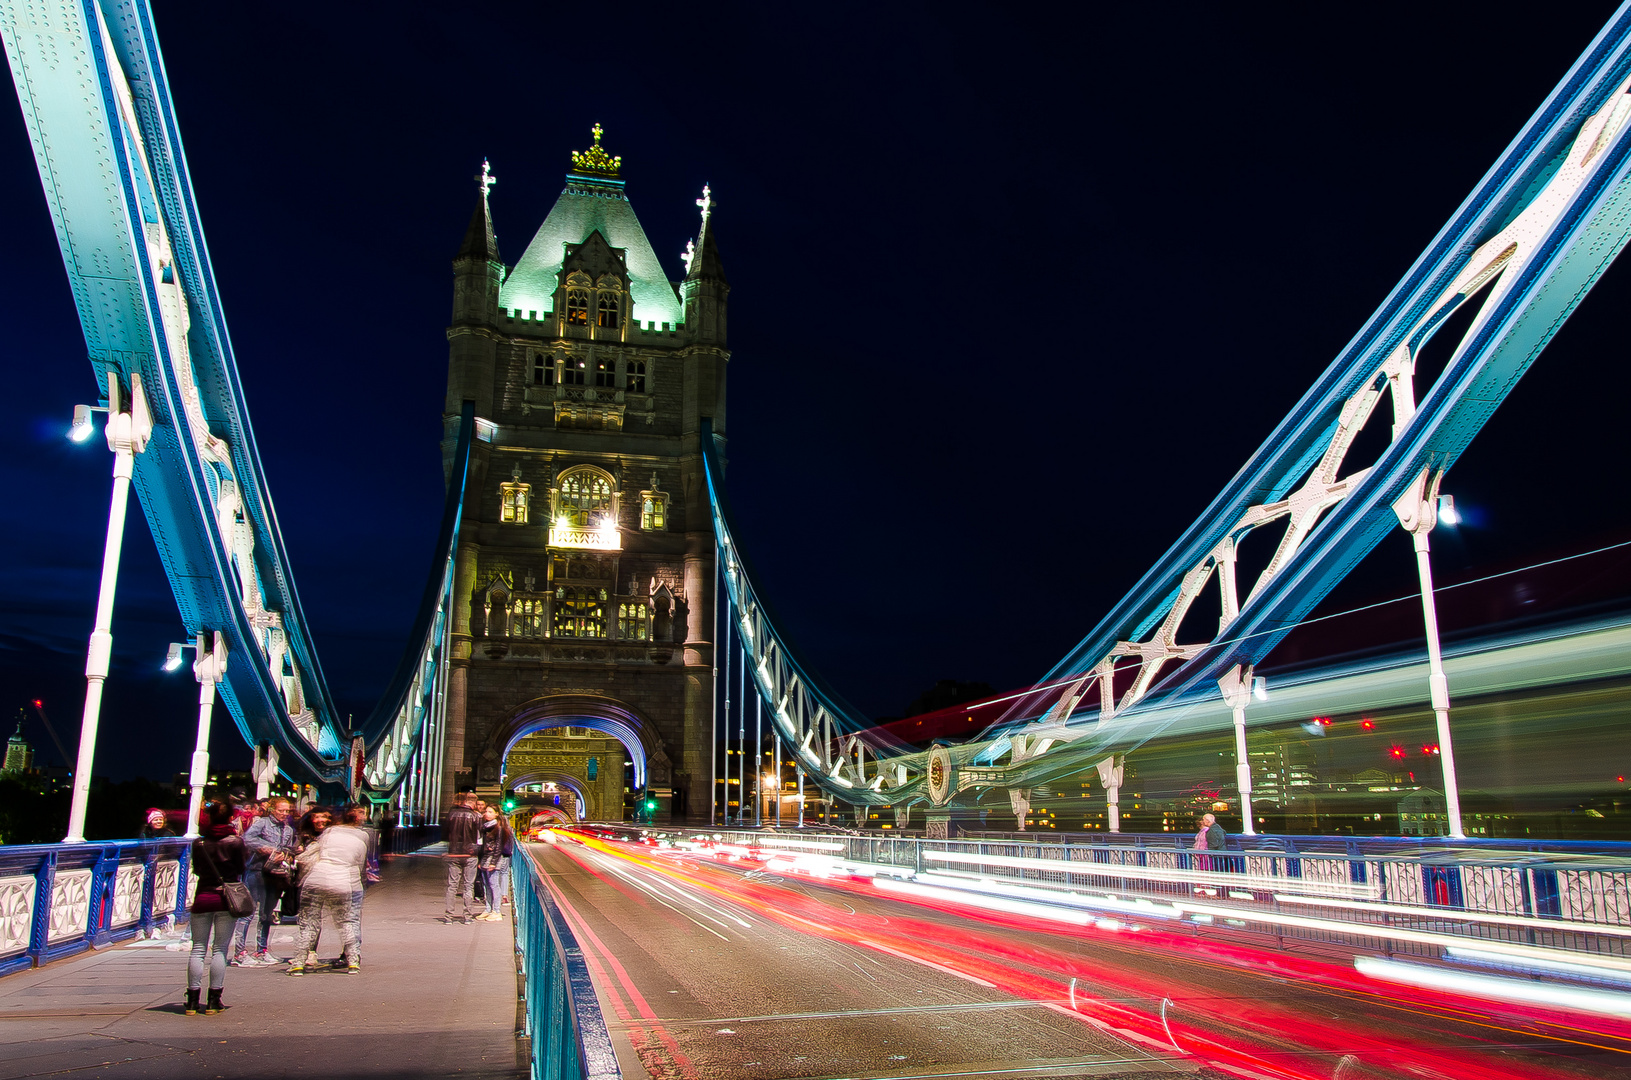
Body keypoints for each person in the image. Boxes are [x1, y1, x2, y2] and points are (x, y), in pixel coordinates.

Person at [288, 805, 369, 976]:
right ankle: (353, 961)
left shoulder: (328, 834)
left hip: (316, 879)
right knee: (347, 922)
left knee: (308, 923)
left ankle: (298, 963)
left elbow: (317, 854)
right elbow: (360, 867)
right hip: (342, 882)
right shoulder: (362, 838)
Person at [186, 800, 244, 1015]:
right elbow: (240, 868)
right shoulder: (235, 842)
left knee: (198, 948)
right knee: (219, 949)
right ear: (231, 818)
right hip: (227, 899)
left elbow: (197, 870)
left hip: (203, 896)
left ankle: (191, 1001)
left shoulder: (198, 843)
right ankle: (213, 1000)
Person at [239, 797, 297, 966]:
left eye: (287, 811)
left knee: (267, 914)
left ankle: (261, 949)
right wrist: (266, 848)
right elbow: (247, 839)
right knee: (248, 912)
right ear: (272, 809)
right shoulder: (262, 823)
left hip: (275, 873)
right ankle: (240, 952)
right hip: (257, 871)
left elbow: (288, 848)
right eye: (281, 810)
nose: (284, 814)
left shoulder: (288, 830)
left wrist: (286, 854)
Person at [443, 792, 480, 923]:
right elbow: (479, 837)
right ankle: (467, 916)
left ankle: (448, 917)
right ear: (473, 803)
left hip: (454, 853)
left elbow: (444, 834)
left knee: (452, 886)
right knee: (468, 886)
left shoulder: (451, 814)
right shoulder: (475, 816)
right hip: (470, 854)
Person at [475, 806, 513, 921]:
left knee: (494, 885)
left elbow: (498, 846)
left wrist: (493, 862)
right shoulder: (485, 827)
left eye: (490, 812)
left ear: (496, 814)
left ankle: (496, 911)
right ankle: (488, 909)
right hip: (485, 858)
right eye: (486, 811)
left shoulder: (499, 828)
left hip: (494, 859)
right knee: (486, 885)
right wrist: (481, 861)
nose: (487, 814)